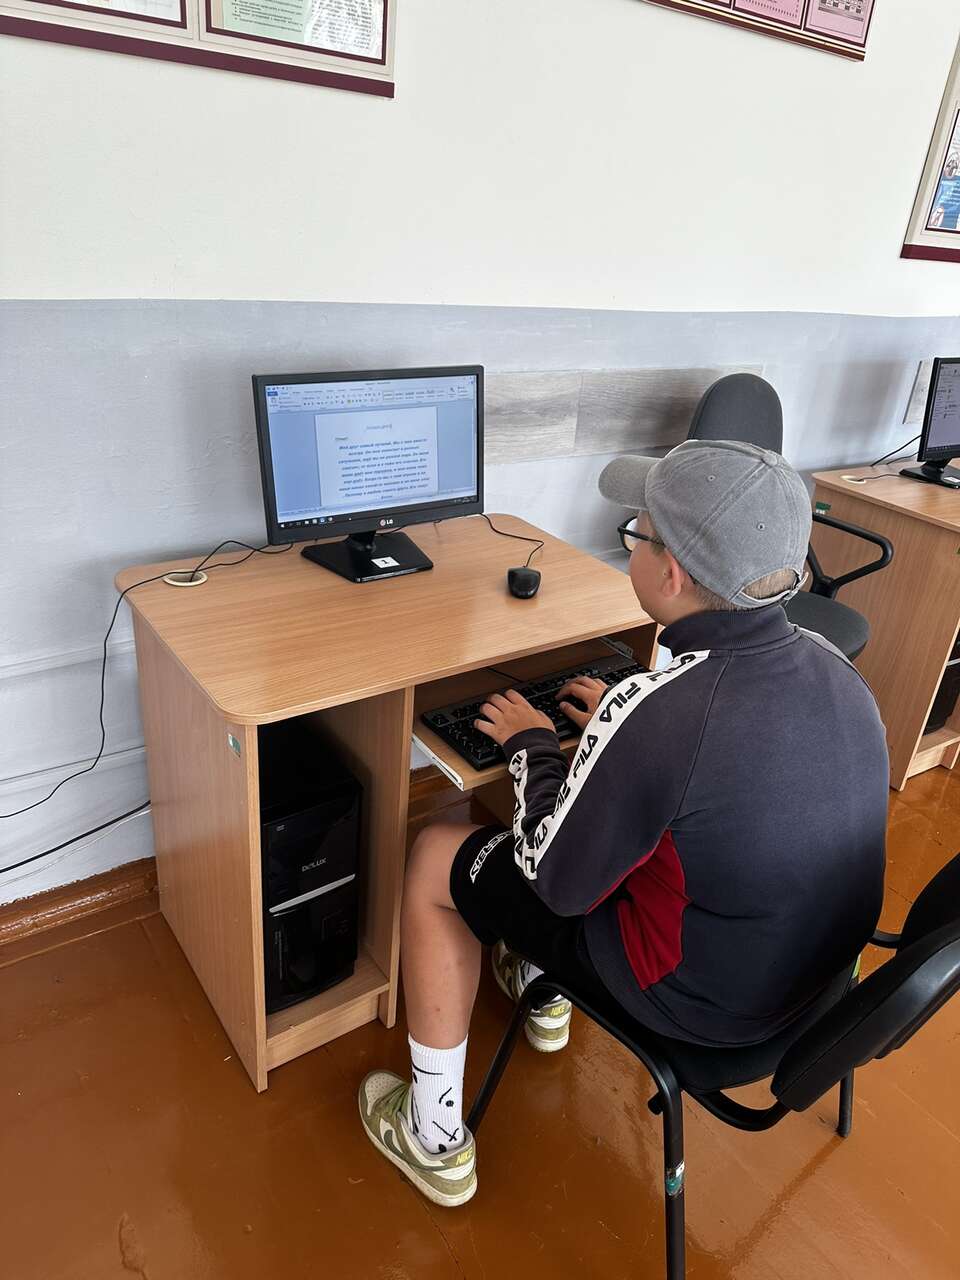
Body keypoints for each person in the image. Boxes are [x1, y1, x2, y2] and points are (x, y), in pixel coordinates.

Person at [358, 439, 889, 1208]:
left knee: (440, 852)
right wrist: (622, 726)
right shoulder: (838, 668)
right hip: (814, 990)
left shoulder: (659, 715)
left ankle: (432, 1136)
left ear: (669, 573)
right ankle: (541, 998)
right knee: (645, 836)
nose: (630, 542)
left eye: (637, 531)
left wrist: (534, 745)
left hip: (696, 1009)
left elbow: (556, 882)